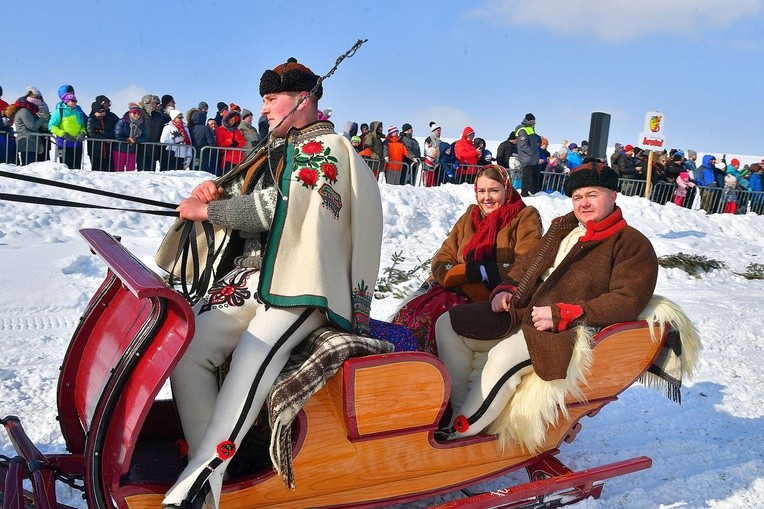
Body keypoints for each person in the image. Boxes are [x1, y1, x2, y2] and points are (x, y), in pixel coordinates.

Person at [160, 57, 383, 509]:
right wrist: (215, 193)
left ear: (303, 99)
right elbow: (253, 204)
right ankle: (215, 485)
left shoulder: (329, 147)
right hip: (253, 276)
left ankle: (197, 484)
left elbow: (278, 208)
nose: (263, 109)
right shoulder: (272, 150)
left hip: (304, 280)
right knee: (189, 350)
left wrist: (212, 211)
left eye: (270, 99)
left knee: (252, 360)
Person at [435, 162, 658, 440]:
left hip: (562, 330)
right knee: (449, 325)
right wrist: (505, 288)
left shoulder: (631, 243)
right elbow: (525, 264)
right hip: (522, 313)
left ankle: (458, 432)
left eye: (592, 194)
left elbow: (627, 300)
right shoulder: (562, 228)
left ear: (613, 195)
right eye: (577, 197)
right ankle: (461, 412)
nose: (584, 203)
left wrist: (568, 313)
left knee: (502, 357)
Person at [391, 165, 542, 354]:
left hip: (496, 296)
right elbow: (443, 256)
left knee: (436, 318)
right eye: (481, 191)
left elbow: (527, 261)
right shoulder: (470, 217)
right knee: (409, 314)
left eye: (494, 190)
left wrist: (484, 272)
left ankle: (436, 372)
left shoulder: (524, 217)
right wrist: (464, 273)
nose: (486, 198)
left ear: (507, 189)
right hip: (456, 289)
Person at [8, 89, 49, 165]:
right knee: (28, 167)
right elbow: (32, 126)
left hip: (30, 143)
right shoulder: (24, 111)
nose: (41, 101)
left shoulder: (29, 110)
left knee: (30, 167)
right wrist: (43, 119)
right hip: (27, 144)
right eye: (39, 99)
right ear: (33, 99)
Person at [48, 92, 87, 169]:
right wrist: (64, 134)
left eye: (75, 101)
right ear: (66, 101)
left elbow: (82, 126)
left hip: (77, 144)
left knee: (77, 169)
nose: (75, 102)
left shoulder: (78, 113)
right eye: (72, 100)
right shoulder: (59, 112)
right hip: (64, 144)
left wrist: (82, 133)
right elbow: (51, 126)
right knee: (66, 169)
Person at [86, 96, 119, 171]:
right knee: (97, 170)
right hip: (96, 150)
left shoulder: (111, 116)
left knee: (109, 169)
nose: (102, 113)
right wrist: (104, 137)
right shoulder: (91, 119)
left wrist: (106, 134)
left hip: (108, 149)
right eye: (104, 102)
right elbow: (92, 133)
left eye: (108, 102)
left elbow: (114, 129)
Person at [113, 103, 148, 171]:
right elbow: (117, 135)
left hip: (132, 150)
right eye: (134, 113)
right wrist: (128, 139)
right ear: (130, 113)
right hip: (120, 149)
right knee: (118, 170)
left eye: (138, 113)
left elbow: (145, 136)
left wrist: (136, 140)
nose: (137, 115)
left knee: (131, 171)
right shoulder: (122, 122)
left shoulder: (142, 123)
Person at [515, 113, 541, 196]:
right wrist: (533, 153)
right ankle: (525, 193)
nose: (534, 122)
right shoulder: (523, 130)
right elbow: (523, 145)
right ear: (528, 120)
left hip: (532, 158)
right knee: (527, 177)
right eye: (533, 121)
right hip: (527, 158)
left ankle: (533, 192)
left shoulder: (531, 130)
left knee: (534, 177)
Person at [138, 94, 164, 171]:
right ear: (147, 102)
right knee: (141, 172)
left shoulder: (158, 116)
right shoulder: (139, 114)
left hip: (153, 148)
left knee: (151, 172)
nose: (156, 105)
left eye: (157, 104)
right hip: (141, 148)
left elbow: (161, 130)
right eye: (154, 103)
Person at [422, 122, 442, 187]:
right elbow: (427, 151)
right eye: (438, 130)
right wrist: (432, 158)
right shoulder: (429, 139)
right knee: (428, 181)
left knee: (434, 182)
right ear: (434, 131)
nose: (439, 132)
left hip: (436, 163)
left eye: (440, 130)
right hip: (429, 163)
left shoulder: (439, 141)